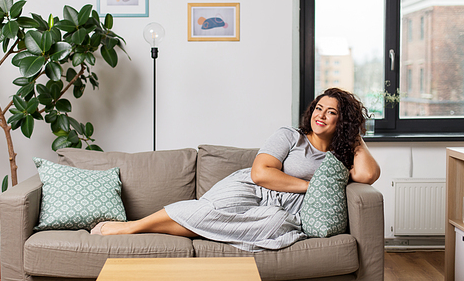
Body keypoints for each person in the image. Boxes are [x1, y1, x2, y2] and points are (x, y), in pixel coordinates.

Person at [91, 88, 380, 252]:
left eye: (332, 112)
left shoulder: (340, 156)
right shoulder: (291, 136)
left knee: (276, 225)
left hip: (286, 209)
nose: (322, 115)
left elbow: (368, 175)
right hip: (252, 189)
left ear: (341, 121)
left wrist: (353, 134)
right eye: (319, 108)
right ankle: (131, 227)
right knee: (209, 211)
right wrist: (312, 187)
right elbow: (261, 173)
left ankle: (201, 231)